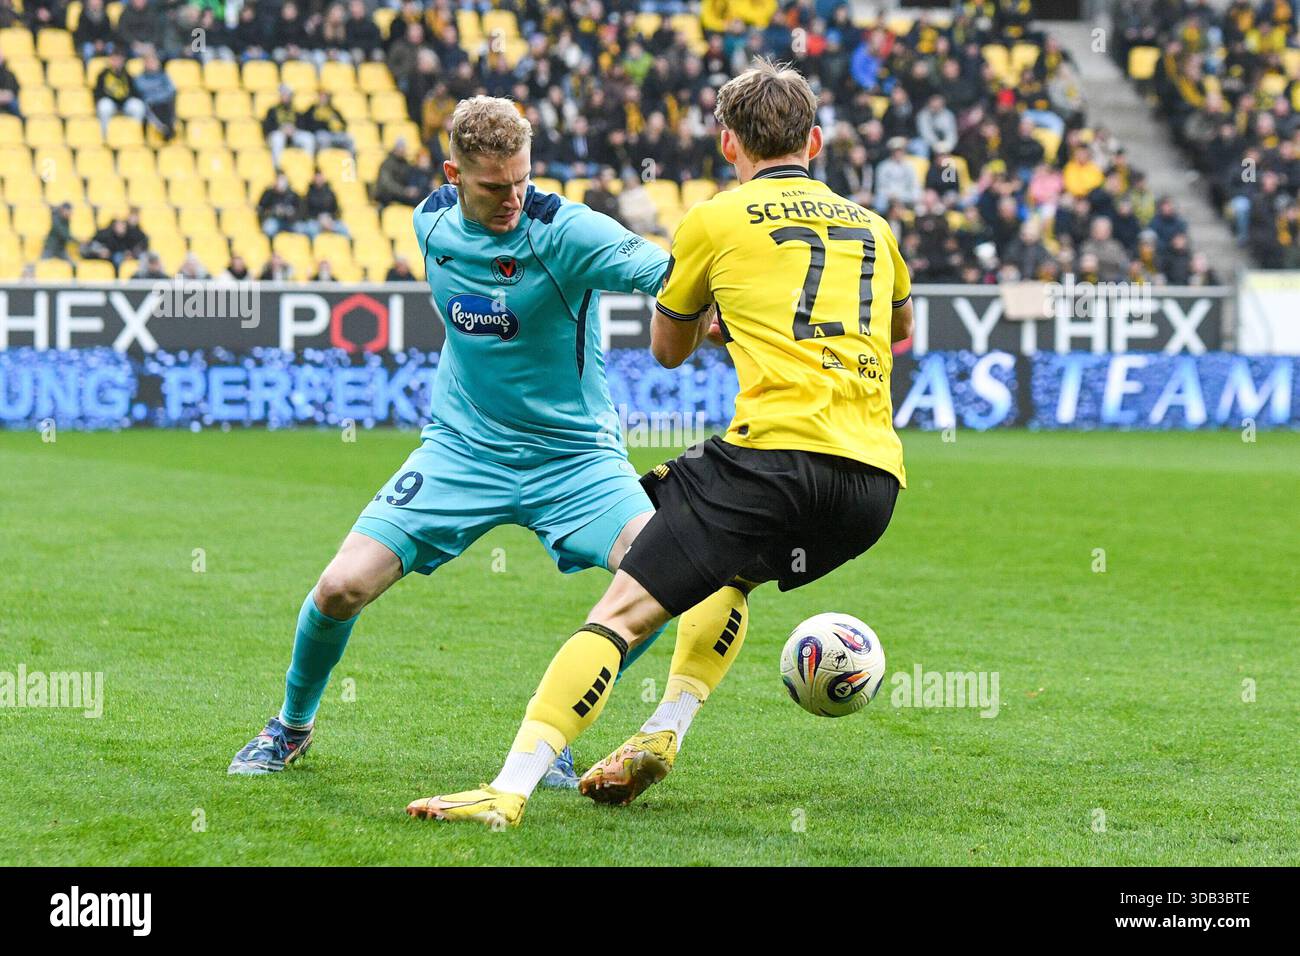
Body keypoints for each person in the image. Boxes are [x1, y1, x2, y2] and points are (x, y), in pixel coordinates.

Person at [409, 61, 911, 827]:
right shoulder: (875, 228)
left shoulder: (715, 220)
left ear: (726, 143)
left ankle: (506, 791)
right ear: (813, 140)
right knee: (728, 579)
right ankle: (664, 731)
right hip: (873, 484)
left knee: (621, 613)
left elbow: (670, 349)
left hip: (773, 457)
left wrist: (723, 311)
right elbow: (900, 329)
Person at [227, 96, 744, 788]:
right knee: (340, 588)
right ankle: (290, 728)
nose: (512, 200)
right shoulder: (429, 222)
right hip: (462, 451)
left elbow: (675, 277)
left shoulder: (569, 232)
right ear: (454, 173)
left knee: (658, 580)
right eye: (494, 187)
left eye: (522, 182)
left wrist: (723, 317)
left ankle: (558, 729)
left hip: (576, 460)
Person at [94, 50, 146, 136]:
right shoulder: (102, 74)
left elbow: (133, 91)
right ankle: (105, 135)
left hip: (125, 103)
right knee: (104, 107)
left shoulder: (127, 74)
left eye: (119, 59)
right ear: (110, 60)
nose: (117, 62)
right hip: (110, 102)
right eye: (114, 59)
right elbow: (98, 92)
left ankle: (135, 134)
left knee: (138, 107)